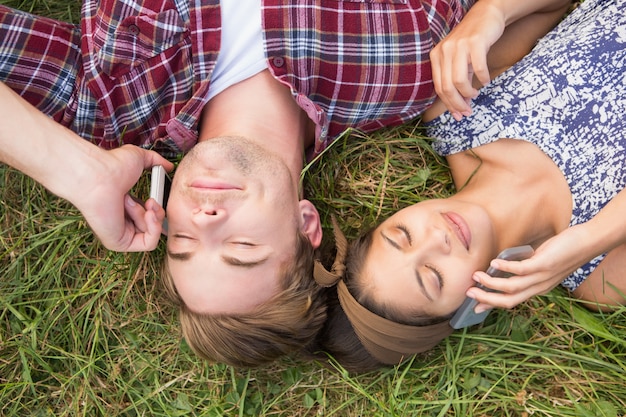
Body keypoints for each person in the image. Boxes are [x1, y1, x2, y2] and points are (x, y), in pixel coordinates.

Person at [0, 0, 570, 367]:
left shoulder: (108, 106)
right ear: (305, 223)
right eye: (242, 248)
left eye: (183, 243)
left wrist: (72, 169)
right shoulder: (409, 73)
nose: (205, 220)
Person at [311, 0, 626, 373]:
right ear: (472, 308)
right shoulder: (601, 278)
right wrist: (594, 237)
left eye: (402, 234)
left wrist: (493, 12)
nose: (436, 239)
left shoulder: (457, 109)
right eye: (434, 276)